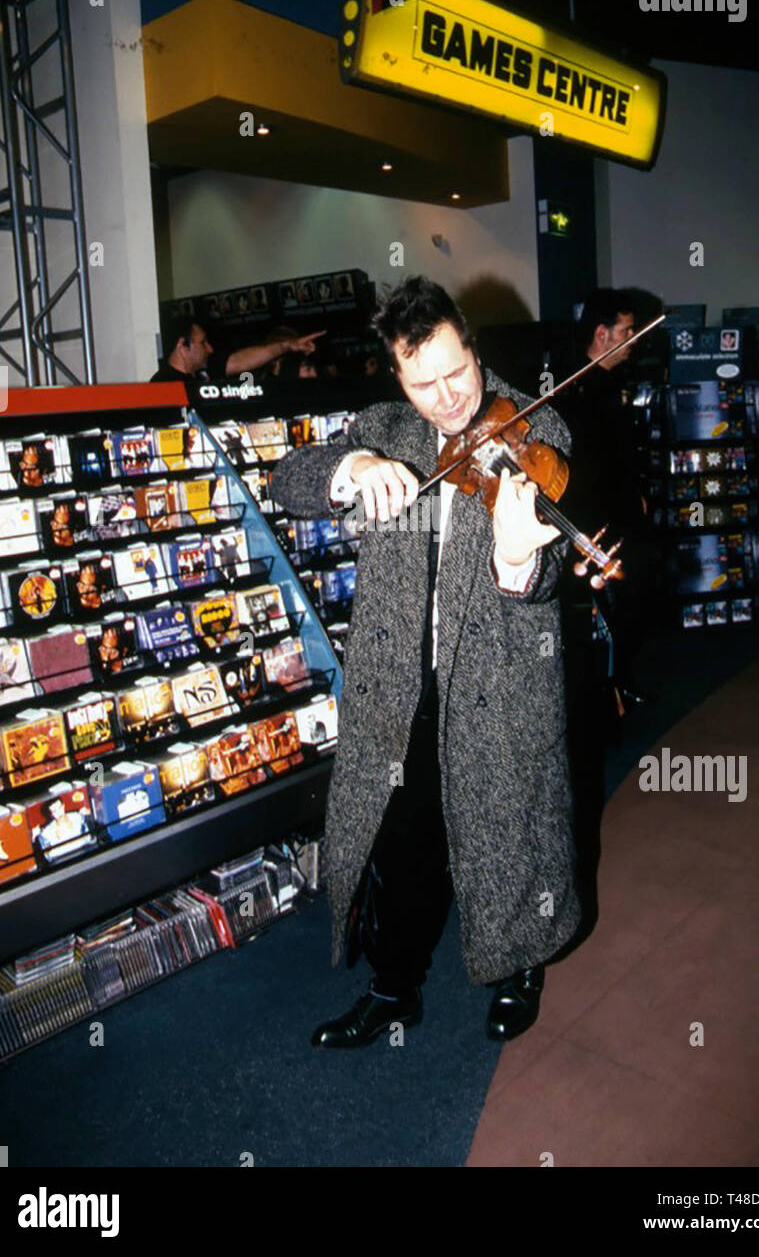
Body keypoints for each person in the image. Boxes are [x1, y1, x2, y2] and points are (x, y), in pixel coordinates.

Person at [270, 275, 581, 1048]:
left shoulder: (539, 428)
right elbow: (290, 478)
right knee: (400, 845)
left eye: (457, 373)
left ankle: (519, 966)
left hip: (497, 679)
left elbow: (545, 579)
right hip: (403, 689)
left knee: (505, 829)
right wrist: (353, 470)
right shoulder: (383, 427)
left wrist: (518, 559)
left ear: (473, 347)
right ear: (396, 376)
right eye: (423, 382)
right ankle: (393, 987)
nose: (446, 399)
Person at [556, 289, 651, 709]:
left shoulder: (613, 384)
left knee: (629, 599)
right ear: (601, 333)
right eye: (626, 331)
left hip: (621, 510)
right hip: (593, 517)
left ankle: (622, 680)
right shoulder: (573, 389)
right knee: (603, 605)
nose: (633, 339)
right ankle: (606, 690)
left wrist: (636, 493)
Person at [150, 315, 324, 383]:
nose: (209, 348)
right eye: (203, 343)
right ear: (182, 346)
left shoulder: (208, 369)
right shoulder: (162, 383)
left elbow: (241, 360)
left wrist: (287, 345)